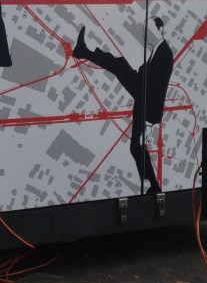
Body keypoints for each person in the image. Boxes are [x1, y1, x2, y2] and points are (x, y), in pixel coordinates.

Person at [73, 15, 174, 193]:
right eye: (145, 32)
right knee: (136, 146)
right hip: (143, 102)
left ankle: (83, 52)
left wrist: (150, 121)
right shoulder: (158, 50)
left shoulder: (164, 53)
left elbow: (156, 85)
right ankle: (153, 186)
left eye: (149, 32)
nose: (145, 36)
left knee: (119, 65)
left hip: (148, 105)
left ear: (160, 30)